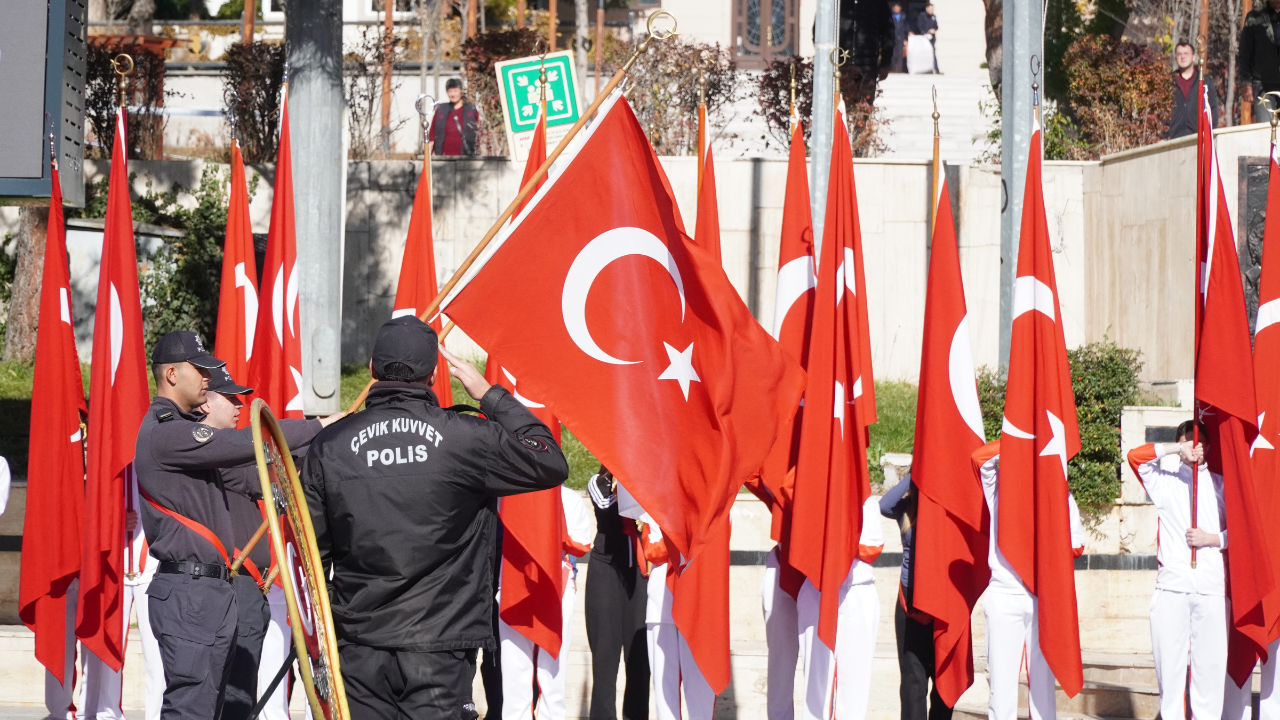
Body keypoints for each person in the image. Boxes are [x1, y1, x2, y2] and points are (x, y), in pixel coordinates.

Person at [300, 315, 569, 719]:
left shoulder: (329, 446)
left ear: (371, 369)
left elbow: (311, 556)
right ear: (433, 374)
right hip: (441, 645)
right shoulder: (466, 437)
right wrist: (489, 395)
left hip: (358, 644)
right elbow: (548, 459)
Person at [135, 331, 331, 720]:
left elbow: (263, 470)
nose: (207, 380)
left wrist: (328, 443)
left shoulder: (183, 436)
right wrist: (321, 425)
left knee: (219, 709)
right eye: (199, 371)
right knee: (192, 709)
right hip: (190, 593)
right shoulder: (166, 432)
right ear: (171, 374)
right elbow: (242, 444)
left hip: (210, 590)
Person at [973, 439, 1085, 720]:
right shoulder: (998, 488)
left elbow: (1076, 546)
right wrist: (1024, 438)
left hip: (1041, 597)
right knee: (1001, 687)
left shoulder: (1061, 496)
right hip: (1004, 594)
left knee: (1043, 688)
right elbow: (980, 458)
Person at [1126, 422, 1229, 720]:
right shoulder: (1164, 481)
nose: (1192, 447)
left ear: (1207, 447)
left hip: (1210, 588)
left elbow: (1245, 531)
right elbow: (1135, 456)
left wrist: (1212, 539)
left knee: (1209, 673)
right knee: (1169, 675)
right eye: (1185, 443)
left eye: (1196, 443)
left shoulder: (1221, 485)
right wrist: (1176, 448)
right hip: (1172, 588)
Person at [497, 486, 593, 720]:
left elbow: (582, 543)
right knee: (514, 668)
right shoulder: (506, 496)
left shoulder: (568, 498)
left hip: (555, 586)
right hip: (514, 583)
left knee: (552, 667)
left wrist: (552, 528)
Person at [79, 467, 163, 720]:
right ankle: (107, 712)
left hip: (151, 568)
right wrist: (114, 520)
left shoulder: (154, 464)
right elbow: (88, 516)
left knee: (156, 653)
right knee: (108, 646)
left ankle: (157, 714)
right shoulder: (107, 466)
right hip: (113, 569)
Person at [795, 497, 883, 720]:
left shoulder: (866, 500)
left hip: (857, 587)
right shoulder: (811, 492)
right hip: (816, 586)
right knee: (816, 682)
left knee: (853, 682)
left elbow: (871, 548)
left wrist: (835, 538)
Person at [880, 477, 950, 720]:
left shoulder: (946, 505)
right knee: (912, 678)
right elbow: (884, 505)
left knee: (943, 676)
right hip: (909, 599)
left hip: (942, 600)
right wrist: (915, 474)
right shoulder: (907, 509)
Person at [584, 469, 651, 720]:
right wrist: (611, 472)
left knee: (640, 660)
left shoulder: (649, 482)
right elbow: (604, 505)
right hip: (606, 572)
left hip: (641, 574)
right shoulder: (599, 481)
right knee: (605, 658)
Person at [642, 514, 716, 720]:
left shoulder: (708, 503)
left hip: (696, 598)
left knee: (699, 682)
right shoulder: (654, 506)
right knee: (664, 684)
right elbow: (651, 549)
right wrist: (682, 538)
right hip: (661, 603)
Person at [1168, 42, 1220, 139]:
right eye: (1179, 54)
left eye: (1186, 53)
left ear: (1193, 57)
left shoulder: (1205, 82)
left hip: (1199, 138)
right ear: (1175, 57)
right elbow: (1162, 112)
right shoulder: (1169, 82)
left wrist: (1208, 134)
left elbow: (1212, 110)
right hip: (1172, 139)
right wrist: (1162, 135)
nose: (1182, 57)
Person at [1241, 0, 1280, 120]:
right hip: (1262, 85)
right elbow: (1245, 51)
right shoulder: (1254, 17)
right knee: (1265, 131)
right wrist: (1245, 82)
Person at [431, 78, 480, 157]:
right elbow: (432, 132)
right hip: (443, 155)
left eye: (455, 91)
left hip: (466, 155)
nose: (453, 94)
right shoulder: (441, 109)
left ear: (461, 91)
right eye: (450, 91)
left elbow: (480, 130)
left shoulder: (470, 109)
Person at [916, 4, 939, 73]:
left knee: (932, 53)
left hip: (931, 38)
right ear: (927, 9)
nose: (932, 11)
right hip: (924, 38)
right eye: (931, 9)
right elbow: (919, 25)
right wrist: (924, 33)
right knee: (923, 54)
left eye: (933, 9)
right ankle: (924, 69)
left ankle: (936, 70)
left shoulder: (933, 16)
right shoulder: (922, 16)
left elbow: (936, 26)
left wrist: (933, 29)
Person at [890, 3, 909, 73]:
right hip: (893, 37)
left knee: (900, 54)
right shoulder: (891, 17)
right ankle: (892, 69)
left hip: (900, 38)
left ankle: (900, 70)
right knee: (893, 54)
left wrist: (905, 38)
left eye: (898, 7)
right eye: (895, 7)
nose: (896, 9)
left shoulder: (903, 17)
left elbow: (906, 28)